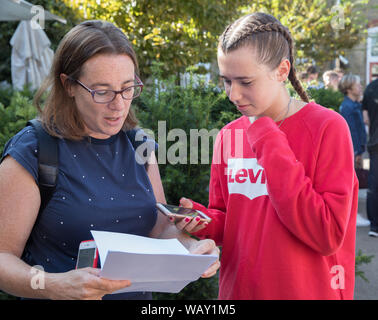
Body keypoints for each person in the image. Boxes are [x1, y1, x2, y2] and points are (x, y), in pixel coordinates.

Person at [0, 20, 219, 300]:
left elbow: (157, 228)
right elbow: (3, 258)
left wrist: (191, 250)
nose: (118, 104)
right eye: (102, 91)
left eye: (128, 88)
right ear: (68, 85)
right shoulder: (34, 149)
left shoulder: (139, 143)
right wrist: (54, 285)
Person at [176, 12, 358, 299]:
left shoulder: (328, 128)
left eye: (246, 82)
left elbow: (327, 234)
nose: (233, 94)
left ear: (282, 71)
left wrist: (266, 134)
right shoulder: (228, 135)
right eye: (226, 81)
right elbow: (231, 221)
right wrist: (202, 220)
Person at [338, 75, 366, 169]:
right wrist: (357, 151)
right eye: (357, 85)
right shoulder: (347, 107)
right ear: (349, 90)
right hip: (353, 150)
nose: (361, 87)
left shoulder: (355, 104)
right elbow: (351, 130)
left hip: (358, 149)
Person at [362, 78, 378, 237]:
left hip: (375, 142)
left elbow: (365, 118)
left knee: (374, 184)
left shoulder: (371, 88)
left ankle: (374, 226)